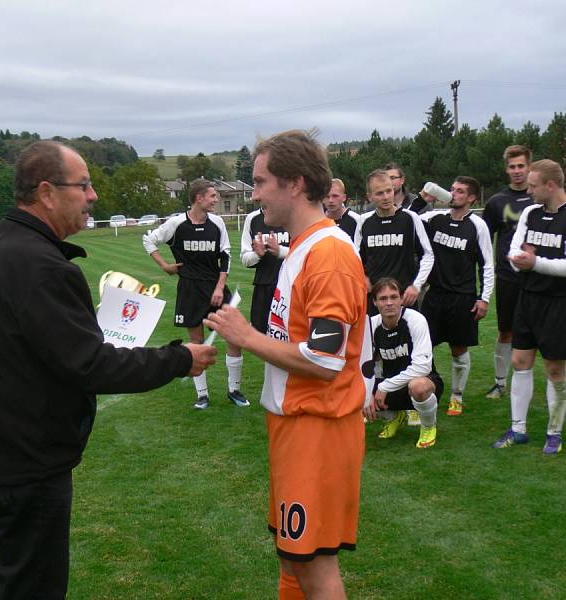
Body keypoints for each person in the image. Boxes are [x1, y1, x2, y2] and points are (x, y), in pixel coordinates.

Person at [0, 140, 216, 598]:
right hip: (22, 459)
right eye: (84, 185)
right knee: (33, 584)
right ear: (47, 192)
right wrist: (179, 358)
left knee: (12, 575)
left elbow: (40, 342)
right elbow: (90, 364)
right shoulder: (39, 263)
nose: (93, 196)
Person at [206, 130, 370, 599]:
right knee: (292, 558)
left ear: (295, 183)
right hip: (295, 424)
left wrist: (247, 337)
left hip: (318, 426)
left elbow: (323, 361)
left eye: (259, 182)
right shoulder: (301, 247)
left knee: (314, 568)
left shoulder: (330, 255)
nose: (254, 194)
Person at [492, 159, 566, 454]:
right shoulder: (530, 212)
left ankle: (554, 432)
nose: (530, 190)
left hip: (560, 303)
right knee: (520, 362)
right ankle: (518, 429)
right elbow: (513, 249)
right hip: (529, 297)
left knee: (554, 369)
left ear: (551, 185)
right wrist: (521, 260)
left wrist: (534, 262)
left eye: (534, 186)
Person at [143, 180, 249, 410]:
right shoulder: (176, 223)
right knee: (196, 342)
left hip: (215, 286)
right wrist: (164, 265)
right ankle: (202, 395)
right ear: (199, 198)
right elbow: (149, 239)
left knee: (233, 337)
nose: (216, 200)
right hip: (190, 289)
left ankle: (235, 390)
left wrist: (220, 288)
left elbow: (226, 257)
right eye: (212, 196)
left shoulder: (217, 223)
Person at [419, 176, 494, 416]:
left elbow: (487, 265)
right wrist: (423, 200)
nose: (453, 194)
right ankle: (430, 387)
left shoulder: (477, 225)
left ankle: (457, 396)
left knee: (458, 349)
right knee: (423, 347)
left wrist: (484, 298)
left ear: (472, 198)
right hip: (435, 295)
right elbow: (406, 219)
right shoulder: (435, 218)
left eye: (460, 191)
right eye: (452, 189)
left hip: (462, 298)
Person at [481, 145, 535, 399]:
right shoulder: (496, 202)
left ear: (529, 167)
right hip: (508, 277)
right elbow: (483, 240)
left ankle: (564, 384)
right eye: (512, 167)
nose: (517, 171)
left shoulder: (540, 196)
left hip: (540, 277)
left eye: (521, 166)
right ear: (506, 169)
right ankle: (500, 383)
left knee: (546, 331)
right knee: (506, 331)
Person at [363, 278, 443, 448]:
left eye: (394, 297)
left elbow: (423, 367)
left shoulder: (415, 320)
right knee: (355, 388)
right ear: (375, 302)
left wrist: (384, 387)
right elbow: (364, 364)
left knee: (418, 386)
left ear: (401, 299)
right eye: (383, 298)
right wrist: (367, 392)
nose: (389, 303)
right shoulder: (370, 325)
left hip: (422, 382)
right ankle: (393, 417)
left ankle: (428, 426)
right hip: (390, 386)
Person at [354, 169, 434, 315]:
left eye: (389, 191)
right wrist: (363, 278)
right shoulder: (363, 221)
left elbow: (428, 255)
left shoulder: (410, 218)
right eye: (379, 193)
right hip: (375, 301)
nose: (386, 197)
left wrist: (416, 286)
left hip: (404, 298)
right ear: (369, 196)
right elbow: (356, 259)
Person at [240, 206, 290, 333]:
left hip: (289, 287)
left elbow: (305, 251)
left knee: (290, 336)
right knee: (260, 337)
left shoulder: (291, 213)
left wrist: (280, 251)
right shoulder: (252, 219)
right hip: (263, 287)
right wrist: (258, 254)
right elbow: (245, 259)